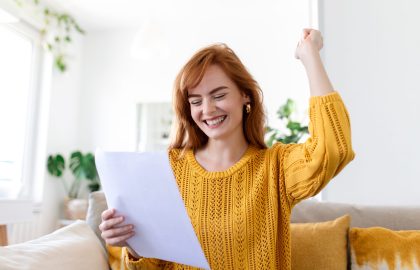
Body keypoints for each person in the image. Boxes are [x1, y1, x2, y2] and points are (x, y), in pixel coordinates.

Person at [99, 28, 355, 270]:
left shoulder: (276, 168)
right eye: (196, 101)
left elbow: (332, 149)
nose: (207, 110)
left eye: (219, 95)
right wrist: (133, 246)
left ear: (245, 95)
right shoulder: (170, 170)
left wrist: (310, 56)